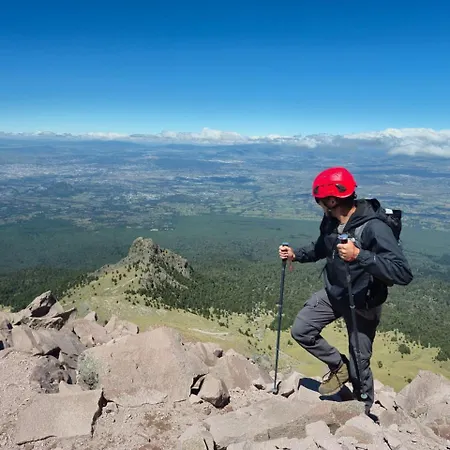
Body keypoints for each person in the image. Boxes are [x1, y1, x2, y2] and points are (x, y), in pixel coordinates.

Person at [279, 166, 413, 415]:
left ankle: (363, 412)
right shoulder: (331, 221)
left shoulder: (373, 228)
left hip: (363, 302)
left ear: (332, 200)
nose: (319, 205)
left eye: (320, 200)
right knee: (302, 330)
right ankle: (338, 367)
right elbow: (321, 247)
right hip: (335, 294)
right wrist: (296, 255)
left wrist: (359, 255)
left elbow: (402, 272)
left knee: (359, 361)